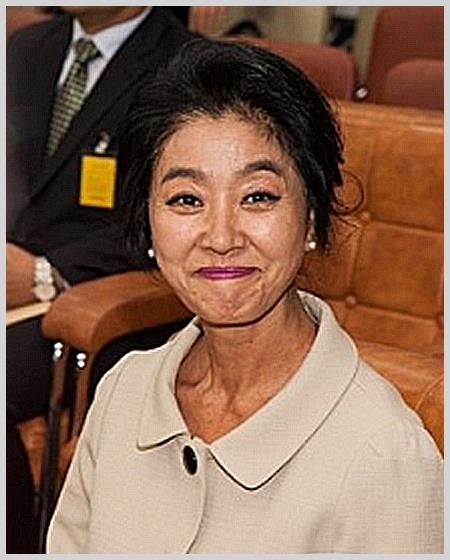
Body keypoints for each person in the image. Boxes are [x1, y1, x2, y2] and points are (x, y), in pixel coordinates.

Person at [47, 38, 443, 554]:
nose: (221, 236)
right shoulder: (124, 390)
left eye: (257, 197)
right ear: (149, 224)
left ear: (311, 218)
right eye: (186, 199)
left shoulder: (384, 456)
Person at [6, 7, 190, 553]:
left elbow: (174, 213)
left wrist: (45, 274)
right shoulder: (27, 46)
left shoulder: (185, 65)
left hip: (95, 298)